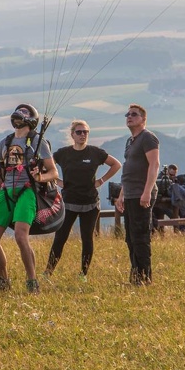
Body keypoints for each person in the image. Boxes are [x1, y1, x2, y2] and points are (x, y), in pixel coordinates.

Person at [0, 103, 58, 294]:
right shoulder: (5, 143)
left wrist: (39, 177)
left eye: (24, 113)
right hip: (7, 191)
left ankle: (32, 281)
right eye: (18, 112)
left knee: (21, 237)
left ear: (31, 119)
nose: (19, 115)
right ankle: (3, 279)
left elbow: (53, 172)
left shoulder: (38, 142)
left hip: (27, 190)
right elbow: (0, 174)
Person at [43, 120, 121, 280]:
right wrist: (57, 182)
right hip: (68, 202)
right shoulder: (63, 153)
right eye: (79, 132)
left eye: (85, 132)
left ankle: (83, 274)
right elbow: (47, 168)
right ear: (72, 135)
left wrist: (101, 180)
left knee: (87, 239)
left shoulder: (95, 153)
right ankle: (47, 273)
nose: (82, 135)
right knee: (60, 238)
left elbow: (116, 164)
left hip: (90, 204)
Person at [115, 104, 160, 285]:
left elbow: (154, 165)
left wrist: (147, 192)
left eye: (134, 114)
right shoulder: (131, 141)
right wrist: (122, 194)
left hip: (142, 194)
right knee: (130, 237)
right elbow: (128, 169)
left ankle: (145, 278)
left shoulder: (148, 138)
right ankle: (135, 276)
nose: (129, 117)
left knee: (140, 236)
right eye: (128, 114)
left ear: (143, 119)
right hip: (131, 194)